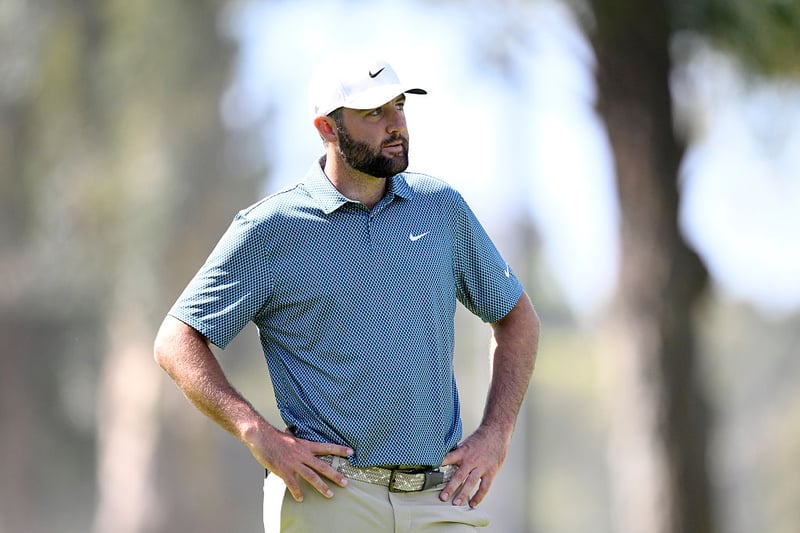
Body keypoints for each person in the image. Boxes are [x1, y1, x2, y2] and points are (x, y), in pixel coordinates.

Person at [153, 55, 540, 532]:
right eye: (374, 113)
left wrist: (496, 433)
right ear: (327, 129)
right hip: (329, 497)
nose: (396, 124)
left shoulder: (441, 210)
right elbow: (176, 341)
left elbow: (518, 319)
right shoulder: (271, 229)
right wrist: (258, 434)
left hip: (440, 497)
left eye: (399, 106)